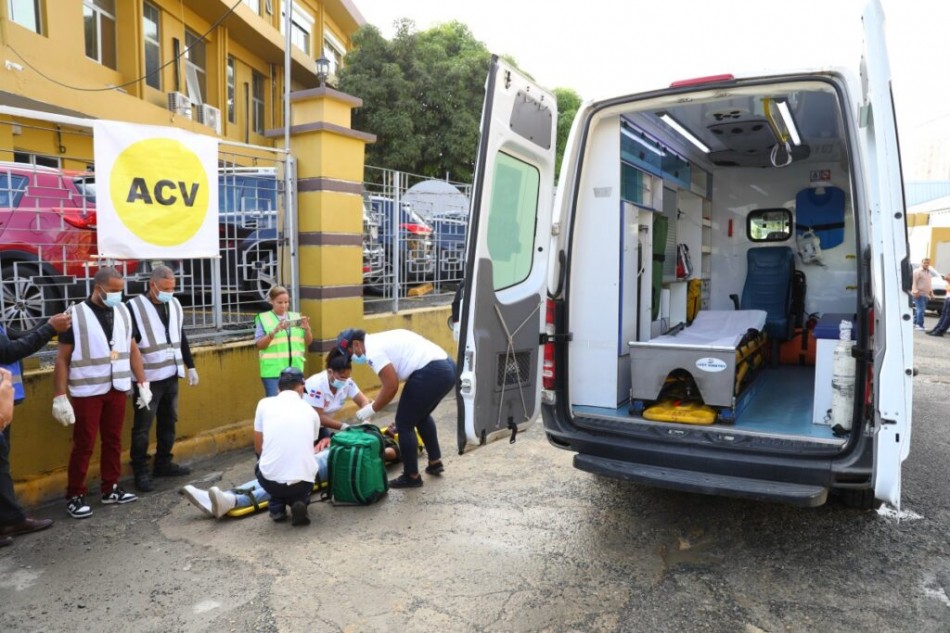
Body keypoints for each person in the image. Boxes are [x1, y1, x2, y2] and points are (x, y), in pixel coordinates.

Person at [182, 349, 398, 519]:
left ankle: (234, 500)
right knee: (286, 473)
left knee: (281, 476)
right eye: (393, 425)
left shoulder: (381, 441)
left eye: (395, 428)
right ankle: (229, 496)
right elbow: (319, 424)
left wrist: (379, 445)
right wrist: (341, 433)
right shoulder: (317, 390)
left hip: (332, 456)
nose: (392, 426)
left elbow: (390, 454)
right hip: (328, 447)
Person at [52, 267, 151, 519]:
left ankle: (111, 488)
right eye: (114, 290)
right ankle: (75, 495)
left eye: (121, 290)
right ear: (98, 288)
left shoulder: (123, 311)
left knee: (113, 440)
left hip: (117, 388)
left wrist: (142, 382)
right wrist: (60, 396)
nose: (119, 295)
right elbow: (62, 359)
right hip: (87, 390)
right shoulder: (75, 315)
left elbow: (132, 349)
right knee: (84, 444)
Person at [336, 328, 456, 489]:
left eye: (350, 353)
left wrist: (373, 408)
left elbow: (391, 386)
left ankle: (411, 476)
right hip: (447, 367)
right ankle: (435, 462)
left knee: (404, 423)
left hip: (430, 372)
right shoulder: (380, 338)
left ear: (357, 344)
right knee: (421, 415)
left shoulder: (373, 351)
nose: (352, 358)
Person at [0, 311, 72, 545]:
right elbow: (9, 351)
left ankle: (10, 519)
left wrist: (47, 324)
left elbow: (13, 337)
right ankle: (11, 518)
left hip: (4, 406)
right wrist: (50, 328)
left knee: (1, 463)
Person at [127, 265, 198, 492]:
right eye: (165, 288)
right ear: (152, 285)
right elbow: (130, 346)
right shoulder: (133, 308)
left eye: (173, 288)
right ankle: (140, 471)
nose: (170, 292)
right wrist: (139, 382)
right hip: (147, 379)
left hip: (171, 375)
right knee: (142, 427)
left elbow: (180, 335)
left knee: (169, 421)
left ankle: (163, 463)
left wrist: (191, 365)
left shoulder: (174, 304)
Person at [252, 366, 321, 526]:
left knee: (262, 466)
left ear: (278, 387)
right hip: (303, 483)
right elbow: (309, 445)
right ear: (301, 387)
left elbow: (257, 444)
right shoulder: (311, 411)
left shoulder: (263, 404)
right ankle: (299, 501)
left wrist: (264, 461)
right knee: (302, 470)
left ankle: (277, 508)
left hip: (271, 481)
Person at [254, 285, 312, 397]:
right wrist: (274, 331)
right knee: (276, 406)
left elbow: (308, 342)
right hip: (273, 372)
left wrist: (307, 328)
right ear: (271, 301)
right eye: (279, 302)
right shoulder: (263, 318)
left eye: (286, 302)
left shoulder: (295, 317)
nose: (283, 306)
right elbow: (260, 345)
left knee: (295, 405)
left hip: (295, 371)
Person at [912, 259, 934, 330]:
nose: (926, 264)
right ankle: (919, 325)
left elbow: (929, 284)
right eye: (924, 263)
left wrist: (931, 294)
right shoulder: (917, 271)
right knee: (921, 310)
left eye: (928, 263)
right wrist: (915, 291)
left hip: (926, 295)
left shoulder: (928, 272)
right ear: (921, 263)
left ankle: (915, 323)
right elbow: (914, 282)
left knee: (920, 310)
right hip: (919, 294)